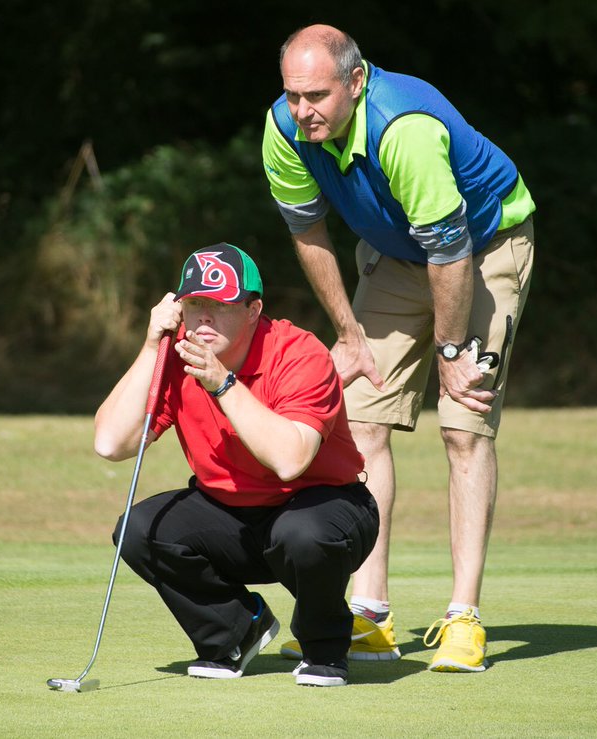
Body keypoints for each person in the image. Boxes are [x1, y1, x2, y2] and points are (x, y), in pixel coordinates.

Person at [261, 24, 536, 672]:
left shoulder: (403, 127)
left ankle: (464, 616)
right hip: (393, 255)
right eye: (294, 95)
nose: (304, 111)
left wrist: (449, 353)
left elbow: (451, 248)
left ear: (355, 82)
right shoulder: (282, 130)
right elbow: (307, 229)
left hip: (485, 247)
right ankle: (369, 613)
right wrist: (348, 333)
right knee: (356, 420)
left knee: (463, 423)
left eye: (318, 95)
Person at [94, 242, 380, 687]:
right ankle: (233, 631)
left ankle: (325, 647)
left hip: (324, 505)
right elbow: (111, 443)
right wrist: (152, 346)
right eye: (195, 305)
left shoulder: (301, 353)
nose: (204, 319)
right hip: (230, 512)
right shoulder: (175, 355)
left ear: (253, 310)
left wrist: (222, 384)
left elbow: (291, 461)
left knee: (302, 535)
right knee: (139, 529)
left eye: (220, 306)